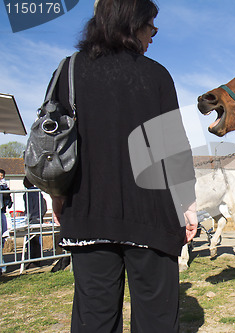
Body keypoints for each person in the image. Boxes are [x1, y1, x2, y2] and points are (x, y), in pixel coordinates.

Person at [49, 1, 197, 331]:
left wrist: (57, 195)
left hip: (88, 216)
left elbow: (54, 145)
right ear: (133, 24)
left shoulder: (69, 70)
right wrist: (188, 207)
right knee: (157, 321)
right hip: (153, 218)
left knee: (94, 321)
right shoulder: (156, 75)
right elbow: (172, 151)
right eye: (152, 28)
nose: (154, 37)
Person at [23, 177, 48, 262]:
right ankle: (37, 259)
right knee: (37, 239)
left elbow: (29, 208)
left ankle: (33, 259)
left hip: (32, 219)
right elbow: (44, 205)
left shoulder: (28, 193)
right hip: (39, 217)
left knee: (31, 241)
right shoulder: (39, 193)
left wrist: (27, 219)